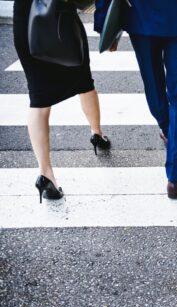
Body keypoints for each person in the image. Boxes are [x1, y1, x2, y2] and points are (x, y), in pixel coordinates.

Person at [95, 0, 177, 199]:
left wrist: (103, 23)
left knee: (152, 83)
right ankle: (175, 178)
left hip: (140, 16)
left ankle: (167, 128)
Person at [13, 0, 111, 204]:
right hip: (59, 19)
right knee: (84, 81)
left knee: (38, 99)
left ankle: (45, 173)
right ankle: (97, 134)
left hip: (27, 23)